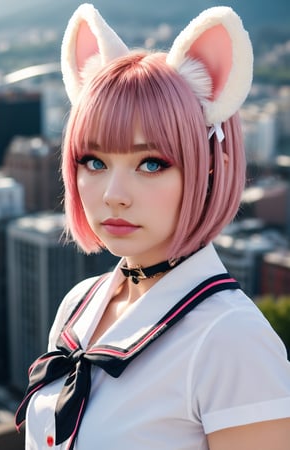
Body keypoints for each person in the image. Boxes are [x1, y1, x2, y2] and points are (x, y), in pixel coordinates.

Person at [15, 4, 290, 450]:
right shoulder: (78, 305)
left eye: (151, 163)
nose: (114, 194)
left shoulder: (231, 339)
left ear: (210, 170)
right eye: (95, 161)